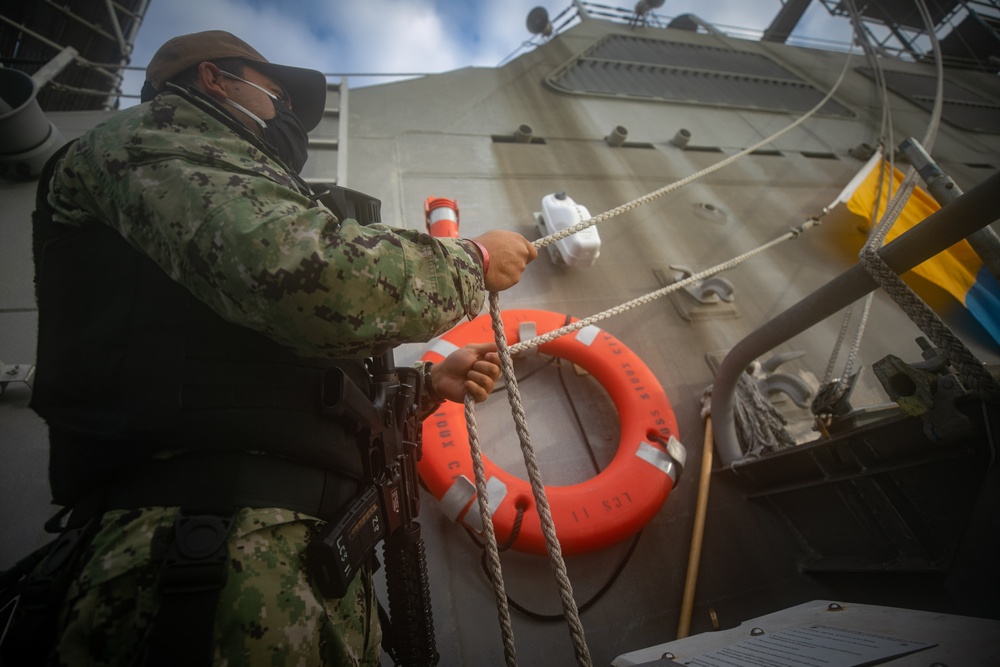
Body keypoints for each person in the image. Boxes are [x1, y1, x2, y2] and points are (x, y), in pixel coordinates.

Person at [14, 30, 536, 666]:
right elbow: (305, 279)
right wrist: (472, 261)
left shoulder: (243, 180)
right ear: (214, 79)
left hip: (288, 559)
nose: (286, 114)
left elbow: (279, 373)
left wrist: (425, 389)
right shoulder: (152, 138)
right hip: (202, 555)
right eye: (277, 95)